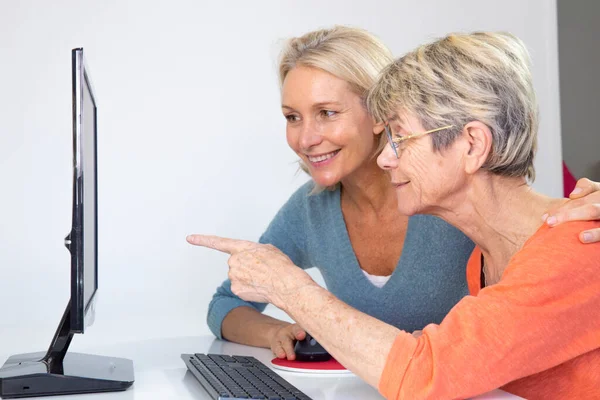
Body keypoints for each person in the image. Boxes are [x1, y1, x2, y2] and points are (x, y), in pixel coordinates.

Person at [190, 31, 600, 399]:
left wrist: (289, 288)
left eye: (400, 138)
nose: (386, 158)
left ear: (473, 145)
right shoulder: (483, 260)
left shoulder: (575, 248)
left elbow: (427, 372)